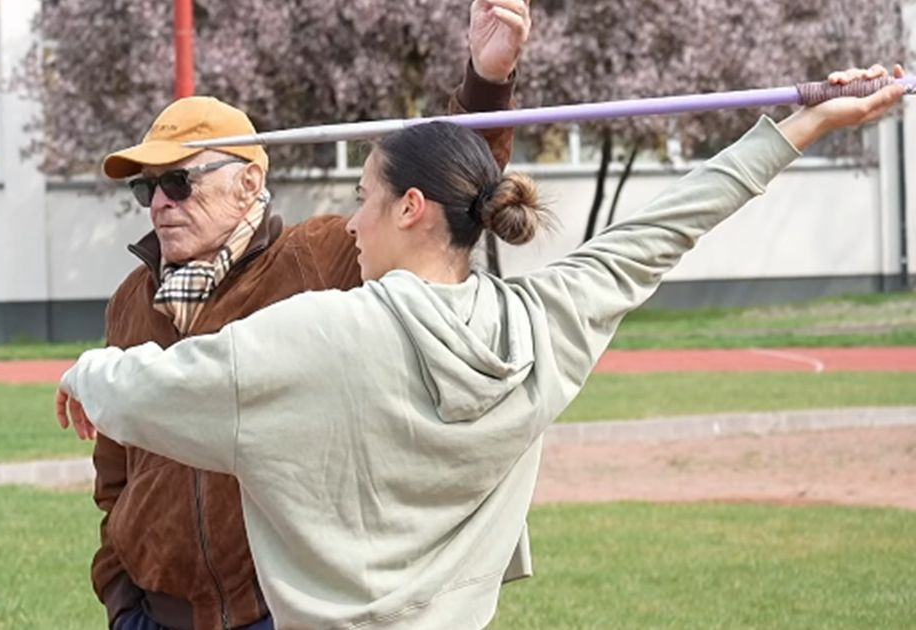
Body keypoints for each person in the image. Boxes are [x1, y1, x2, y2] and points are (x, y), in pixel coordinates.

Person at [57, 65, 906, 629]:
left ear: (412, 208)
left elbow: (137, 394)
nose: (351, 219)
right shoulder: (543, 321)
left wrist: (86, 373)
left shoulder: (315, 334)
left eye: (363, 196)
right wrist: (798, 128)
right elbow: (661, 229)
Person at [71, 3, 535, 628]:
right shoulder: (131, 298)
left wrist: (486, 77)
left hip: (278, 612)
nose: (158, 202)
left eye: (178, 182)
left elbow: (442, 191)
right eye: (144, 187)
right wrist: (120, 595)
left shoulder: (318, 257)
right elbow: (113, 474)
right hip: (152, 614)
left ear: (247, 182)